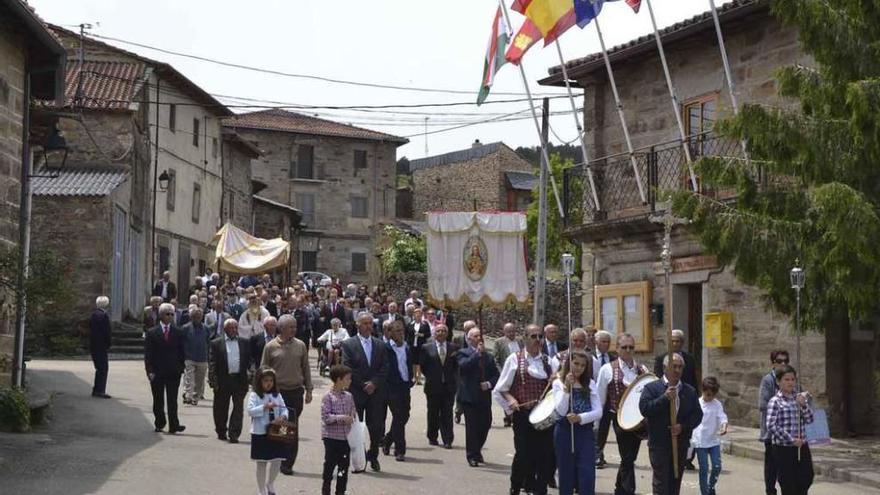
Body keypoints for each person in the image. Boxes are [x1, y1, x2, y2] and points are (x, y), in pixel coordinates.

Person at [493, 323, 559, 495]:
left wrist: (556, 381)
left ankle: (539, 488)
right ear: (525, 338)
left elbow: (557, 392)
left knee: (544, 454)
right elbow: (501, 388)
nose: (538, 340)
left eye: (540, 336)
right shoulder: (514, 359)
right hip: (523, 415)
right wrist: (512, 401)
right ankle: (516, 485)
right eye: (533, 336)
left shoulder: (548, 361)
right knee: (523, 453)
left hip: (544, 416)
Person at [639, 352, 703, 495]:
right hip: (659, 444)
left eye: (680, 367)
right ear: (664, 368)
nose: (677, 370)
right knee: (661, 483)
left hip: (680, 444)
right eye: (674, 366)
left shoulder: (689, 390)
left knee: (675, 482)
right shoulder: (652, 388)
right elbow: (645, 409)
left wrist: (683, 427)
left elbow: (697, 415)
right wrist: (664, 398)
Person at [595, 333, 651, 495]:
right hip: (619, 419)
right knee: (627, 456)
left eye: (631, 347)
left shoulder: (642, 369)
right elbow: (600, 397)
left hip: (639, 420)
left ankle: (620, 488)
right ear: (617, 348)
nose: (628, 350)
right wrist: (596, 424)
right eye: (624, 347)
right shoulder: (607, 369)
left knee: (630, 456)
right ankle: (628, 490)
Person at [261, 314, 313, 475]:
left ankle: (288, 463)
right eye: (291, 327)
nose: (294, 330)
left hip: (295, 392)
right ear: (281, 328)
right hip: (278, 393)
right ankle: (279, 458)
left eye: (295, 327)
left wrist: (309, 389)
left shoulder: (301, 345)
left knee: (292, 427)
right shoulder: (270, 346)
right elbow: (264, 370)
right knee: (279, 427)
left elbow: (306, 368)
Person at [341, 311, 390, 472]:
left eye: (370, 323)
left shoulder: (380, 344)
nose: (368, 326)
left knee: (376, 426)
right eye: (365, 323)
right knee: (356, 427)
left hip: (376, 393)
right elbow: (348, 366)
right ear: (358, 325)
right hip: (357, 391)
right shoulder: (349, 344)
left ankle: (374, 455)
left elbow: (385, 367)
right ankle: (359, 458)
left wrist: (374, 383)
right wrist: (363, 384)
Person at [552, 349, 602, 495]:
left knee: (587, 473)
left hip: (585, 432)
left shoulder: (590, 384)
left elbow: (598, 411)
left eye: (582, 365)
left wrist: (581, 418)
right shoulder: (557, 383)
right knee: (566, 473)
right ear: (569, 363)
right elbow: (561, 410)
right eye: (576, 363)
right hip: (564, 432)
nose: (578, 368)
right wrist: (567, 388)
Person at [766, 365, 814, 495]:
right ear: (778, 382)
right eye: (786, 379)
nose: (790, 382)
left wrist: (803, 404)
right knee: (788, 482)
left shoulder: (799, 399)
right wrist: (791, 439)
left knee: (807, 477)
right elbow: (771, 425)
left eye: (793, 379)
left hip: (801, 446)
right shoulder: (775, 401)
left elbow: (810, 420)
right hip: (783, 448)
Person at [456, 327, 499, 467]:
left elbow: (496, 375)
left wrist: (489, 384)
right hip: (469, 396)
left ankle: (477, 448)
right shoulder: (463, 353)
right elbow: (463, 367)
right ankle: (472, 455)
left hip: (484, 396)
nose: (479, 338)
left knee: (485, 424)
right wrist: (476, 355)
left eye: (480, 336)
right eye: (475, 336)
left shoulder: (488, 356)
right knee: (472, 427)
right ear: (469, 339)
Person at [144, 302, 186, 434]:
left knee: (172, 399)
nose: (170, 317)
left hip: (173, 371)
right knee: (158, 399)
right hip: (157, 371)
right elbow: (148, 354)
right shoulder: (152, 333)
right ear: (161, 315)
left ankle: (174, 424)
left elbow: (182, 351)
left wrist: (181, 367)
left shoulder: (178, 332)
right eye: (167, 314)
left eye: (172, 314)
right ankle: (160, 423)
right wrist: (149, 370)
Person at [247, 367, 288, 495]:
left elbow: (284, 409)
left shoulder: (277, 395)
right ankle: (261, 490)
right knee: (262, 463)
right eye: (266, 380)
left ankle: (270, 483)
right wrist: (264, 407)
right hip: (260, 432)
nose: (269, 383)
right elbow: (250, 411)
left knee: (277, 460)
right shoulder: (255, 395)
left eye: (271, 380)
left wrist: (283, 416)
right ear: (259, 381)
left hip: (277, 431)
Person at [211, 319, 252, 443]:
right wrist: (213, 380)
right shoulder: (216, 343)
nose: (234, 330)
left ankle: (234, 433)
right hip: (223, 380)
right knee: (221, 407)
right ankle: (221, 430)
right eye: (231, 328)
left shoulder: (244, 342)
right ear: (225, 329)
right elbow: (212, 363)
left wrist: (251, 373)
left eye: (236, 328)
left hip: (239, 380)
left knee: (238, 408)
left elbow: (249, 361)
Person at [420, 323, 459, 449]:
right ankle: (432, 436)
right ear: (434, 334)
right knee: (433, 412)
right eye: (438, 331)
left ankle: (447, 439)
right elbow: (423, 366)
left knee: (447, 413)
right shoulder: (426, 347)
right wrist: (433, 376)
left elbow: (456, 367)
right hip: (433, 386)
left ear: (447, 334)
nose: (441, 333)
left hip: (448, 387)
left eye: (443, 331)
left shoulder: (454, 347)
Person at [322, 364, 357, 495]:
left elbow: (353, 410)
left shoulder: (349, 396)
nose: (350, 381)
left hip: (345, 438)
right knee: (330, 465)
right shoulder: (328, 397)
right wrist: (342, 418)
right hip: (331, 438)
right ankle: (326, 490)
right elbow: (326, 417)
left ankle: (340, 491)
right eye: (348, 378)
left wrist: (352, 416)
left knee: (343, 467)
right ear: (338, 379)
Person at [382, 320, 414, 461]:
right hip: (391, 387)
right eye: (397, 331)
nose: (401, 333)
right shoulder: (386, 348)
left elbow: (409, 364)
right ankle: (400, 450)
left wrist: (411, 378)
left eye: (402, 330)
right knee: (399, 416)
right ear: (390, 333)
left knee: (404, 415)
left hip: (405, 386)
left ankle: (388, 439)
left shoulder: (407, 347)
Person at [760, 349, 790, 495]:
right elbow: (763, 405)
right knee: (771, 466)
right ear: (773, 363)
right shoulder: (768, 380)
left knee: (786, 467)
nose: (783, 364)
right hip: (771, 432)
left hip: (788, 433)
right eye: (779, 361)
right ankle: (770, 491)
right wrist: (782, 406)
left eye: (785, 361)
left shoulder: (790, 379)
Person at [691, 376, 728, 495]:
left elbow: (722, 416)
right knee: (704, 468)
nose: (709, 397)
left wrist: (724, 426)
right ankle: (704, 492)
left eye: (712, 395)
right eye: (707, 394)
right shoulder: (697, 403)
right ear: (703, 391)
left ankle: (711, 487)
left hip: (713, 440)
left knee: (717, 466)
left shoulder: (717, 404)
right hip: (700, 441)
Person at [592, 329, 617, 468]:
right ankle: (596, 454)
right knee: (595, 428)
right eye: (603, 341)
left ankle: (599, 452)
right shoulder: (590, 357)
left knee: (604, 428)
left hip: (609, 400)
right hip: (593, 397)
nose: (606, 344)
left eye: (608, 342)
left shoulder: (613, 358)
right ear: (596, 342)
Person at [494, 323, 522, 427]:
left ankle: (516, 415)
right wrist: (502, 372)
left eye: (513, 331)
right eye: (509, 332)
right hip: (506, 373)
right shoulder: (499, 342)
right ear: (504, 332)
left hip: (519, 373)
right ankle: (508, 416)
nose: (511, 334)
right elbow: (496, 359)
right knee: (505, 394)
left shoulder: (520, 341)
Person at [181, 306, 209, 406]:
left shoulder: (206, 328)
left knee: (200, 380)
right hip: (189, 357)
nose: (197, 319)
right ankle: (188, 396)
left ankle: (195, 397)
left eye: (199, 317)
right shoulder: (186, 328)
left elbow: (208, 342)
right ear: (191, 317)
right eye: (195, 317)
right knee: (189, 378)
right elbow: (181, 342)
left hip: (202, 358)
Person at [89, 296, 112, 399]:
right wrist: (108, 343)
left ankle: (96, 389)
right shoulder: (103, 316)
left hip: (94, 344)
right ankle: (100, 390)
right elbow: (106, 332)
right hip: (101, 345)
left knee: (99, 368)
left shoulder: (94, 314)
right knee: (103, 368)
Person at [408, 307, 431, 385]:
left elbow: (428, 334)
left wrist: (421, 334)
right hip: (412, 345)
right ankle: (414, 377)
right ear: (414, 315)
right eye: (416, 314)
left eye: (419, 314)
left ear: (421, 315)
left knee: (420, 362)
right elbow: (407, 334)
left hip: (421, 345)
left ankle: (419, 378)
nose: (418, 315)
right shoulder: (410, 324)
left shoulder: (425, 324)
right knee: (413, 361)